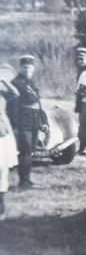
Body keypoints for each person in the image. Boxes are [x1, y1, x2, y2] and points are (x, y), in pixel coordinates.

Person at [5, 55, 48, 189]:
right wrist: (15, 125)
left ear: (33, 69)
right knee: (25, 151)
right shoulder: (15, 83)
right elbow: (12, 107)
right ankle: (23, 181)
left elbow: (38, 103)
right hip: (23, 120)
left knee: (31, 151)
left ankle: (28, 180)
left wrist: (44, 121)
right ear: (20, 68)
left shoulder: (32, 83)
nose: (27, 70)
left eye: (30, 67)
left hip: (35, 119)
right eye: (24, 67)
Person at [0, 80, 19, 220]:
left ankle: (1, 209)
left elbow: (15, 93)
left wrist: (3, 81)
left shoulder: (2, 94)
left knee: (2, 171)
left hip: (2, 135)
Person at [74, 47, 86, 115]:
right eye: (78, 59)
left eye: (82, 59)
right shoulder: (80, 69)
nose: (79, 61)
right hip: (82, 99)